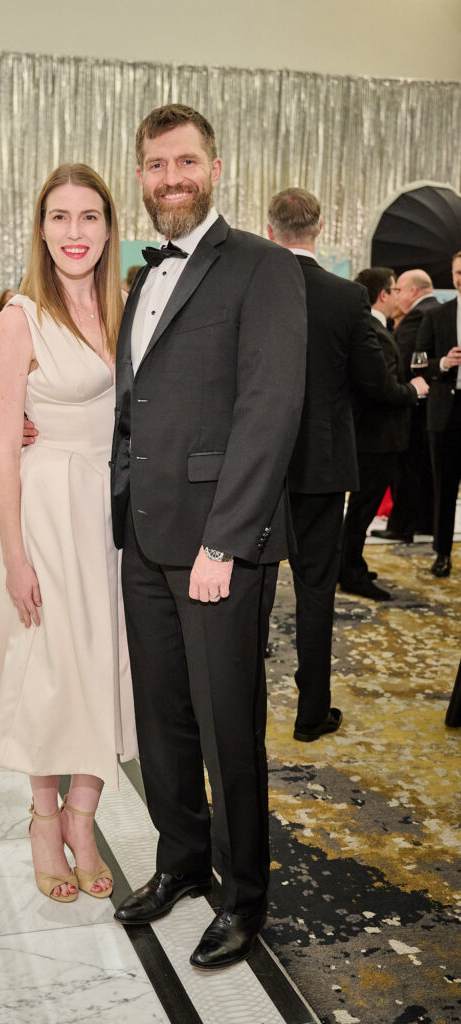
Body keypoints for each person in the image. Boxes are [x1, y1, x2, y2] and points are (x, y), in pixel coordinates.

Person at [110, 105, 307, 970]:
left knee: (229, 729)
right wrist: (122, 493)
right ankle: (180, 863)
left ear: (216, 169)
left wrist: (225, 543)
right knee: (162, 722)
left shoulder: (262, 268)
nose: (170, 178)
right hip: (146, 541)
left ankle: (243, 895)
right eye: (155, 165)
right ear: (143, 177)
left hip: (218, 547)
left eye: (185, 162)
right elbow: (137, 403)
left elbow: (270, 411)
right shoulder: (139, 276)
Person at [0, 164, 137, 904]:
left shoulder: (128, 308)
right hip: (44, 510)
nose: (76, 232)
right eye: (61, 217)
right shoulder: (20, 317)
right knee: (47, 670)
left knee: (104, 666)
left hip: (111, 510)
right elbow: (4, 449)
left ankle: (83, 817)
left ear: (108, 227)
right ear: (41, 229)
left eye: (90, 217)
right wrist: (15, 557)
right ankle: (44, 820)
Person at [266, 188, 391, 742]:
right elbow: (370, 379)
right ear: (320, 226)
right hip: (320, 463)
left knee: (249, 590)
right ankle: (311, 710)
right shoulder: (347, 297)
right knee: (316, 589)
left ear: (270, 230)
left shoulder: (254, 289)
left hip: (258, 466)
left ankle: (235, 708)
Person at [339, 267, 426, 600]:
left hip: (372, 436)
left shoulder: (373, 327)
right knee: (362, 510)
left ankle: (349, 565)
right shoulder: (372, 330)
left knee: (361, 510)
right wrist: (413, 390)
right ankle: (350, 573)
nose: (398, 296)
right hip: (376, 438)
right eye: (393, 289)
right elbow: (381, 389)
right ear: (383, 295)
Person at [371, 269, 438, 542]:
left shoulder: (418, 317)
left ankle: (403, 525)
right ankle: (424, 522)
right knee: (426, 469)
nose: (395, 296)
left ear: (413, 291)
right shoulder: (439, 310)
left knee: (408, 468)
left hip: (414, 406)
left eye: (398, 289)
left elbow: (402, 361)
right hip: (432, 407)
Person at [416, 251, 461, 578]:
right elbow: (418, 363)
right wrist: (443, 363)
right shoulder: (437, 315)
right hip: (446, 412)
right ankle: (442, 553)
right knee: (444, 487)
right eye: (458, 272)